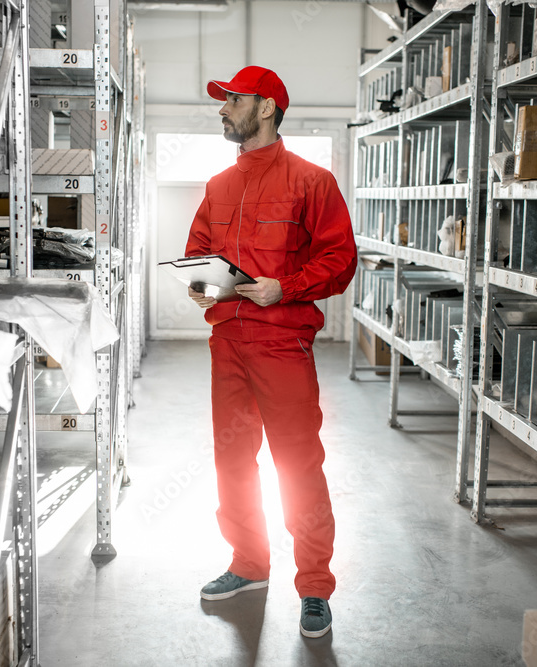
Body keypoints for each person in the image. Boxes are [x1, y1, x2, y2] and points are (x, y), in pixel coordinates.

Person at [184, 65, 357, 639]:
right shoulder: (218, 186)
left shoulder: (313, 182)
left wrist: (288, 286)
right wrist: (200, 279)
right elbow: (199, 250)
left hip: (282, 342)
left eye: (234, 99)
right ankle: (248, 564)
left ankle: (313, 585)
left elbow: (340, 261)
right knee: (232, 461)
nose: (224, 108)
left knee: (298, 464)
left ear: (267, 106)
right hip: (227, 340)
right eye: (224, 100)